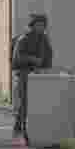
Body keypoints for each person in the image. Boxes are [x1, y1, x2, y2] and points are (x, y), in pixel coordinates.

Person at [11, 13, 53, 141]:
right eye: (38, 25)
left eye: (42, 25)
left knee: (37, 104)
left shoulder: (44, 39)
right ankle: (23, 130)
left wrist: (44, 64)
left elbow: (49, 56)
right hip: (24, 74)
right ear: (32, 26)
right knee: (25, 104)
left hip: (39, 75)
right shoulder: (24, 39)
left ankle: (24, 128)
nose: (41, 27)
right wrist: (32, 59)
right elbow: (16, 58)